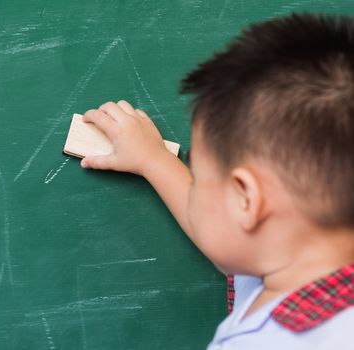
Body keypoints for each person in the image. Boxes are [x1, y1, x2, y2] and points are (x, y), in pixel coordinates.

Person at [79, 13, 354, 349]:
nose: (194, 196)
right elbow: (221, 229)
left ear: (247, 201)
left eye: (199, 182)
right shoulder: (296, 249)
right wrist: (153, 159)